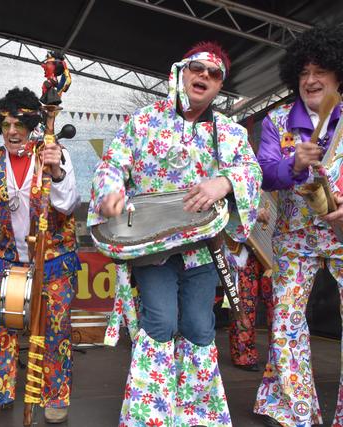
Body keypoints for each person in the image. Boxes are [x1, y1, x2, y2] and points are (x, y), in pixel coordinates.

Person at [89, 42, 261, 427]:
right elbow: (112, 163)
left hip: (203, 250)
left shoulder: (230, 133)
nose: (203, 77)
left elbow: (251, 172)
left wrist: (225, 181)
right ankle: (152, 417)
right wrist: (110, 192)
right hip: (154, 249)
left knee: (200, 327)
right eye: (196, 69)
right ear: (181, 72)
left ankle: (197, 417)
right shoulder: (144, 122)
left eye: (213, 74)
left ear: (220, 86)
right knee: (161, 323)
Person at [0, 87, 81, 424]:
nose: (12, 131)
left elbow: (69, 203)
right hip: (8, 261)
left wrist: (56, 171)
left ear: (32, 124)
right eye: (5, 125)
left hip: (54, 261)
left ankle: (55, 395)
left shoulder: (53, 153)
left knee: (54, 329)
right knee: (1, 325)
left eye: (19, 124)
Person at [253, 24, 343, 427]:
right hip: (293, 235)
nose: (311, 79)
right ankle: (296, 411)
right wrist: (293, 164)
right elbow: (264, 174)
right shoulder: (276, 121)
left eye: (320, 70)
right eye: (303, 72)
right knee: (286, 321)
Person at [225, 206, 274, 372]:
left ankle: (279, 355)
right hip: (242, 248)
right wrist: (251, 214)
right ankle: (244, 356)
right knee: (243, 303)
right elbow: (221, 209)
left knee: (278, 305)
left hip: (276, 247)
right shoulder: (232, 179)